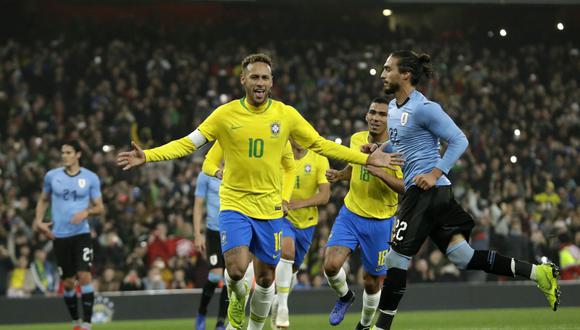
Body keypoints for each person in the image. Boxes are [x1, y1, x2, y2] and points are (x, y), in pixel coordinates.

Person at [116, 53, 403, 330]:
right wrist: (149, 156)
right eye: (254, 77)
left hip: (269, 209)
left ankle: (253, 326)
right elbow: (189, 143)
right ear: (243, 79)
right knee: (237, 269)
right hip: (235, 204)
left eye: (265, 77)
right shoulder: (225, 114)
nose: (260, 83)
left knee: (266, 279)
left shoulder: (286, 115)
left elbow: (319, 144)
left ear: (272, 82)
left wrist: (365, 159)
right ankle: (238, 299)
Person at [371, 50, 561, 330]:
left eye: (388, 69)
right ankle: (539, 273)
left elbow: (459, 140)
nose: (383, 74)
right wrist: (379, 148)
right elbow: (401, 142)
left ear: (406, 75)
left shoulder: (425, 108)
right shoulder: (394, 108)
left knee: (396, 258)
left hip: (427, 192)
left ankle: (379, 328)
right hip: (434, 196)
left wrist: (435, 172)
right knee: (464, 256)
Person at [323, 98, 404, 329]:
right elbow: (355, 168)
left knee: (371, 282)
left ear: (390, 120)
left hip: (380, 222)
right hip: (351, 214)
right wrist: (341, 175)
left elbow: (405, 187)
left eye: (382, 114)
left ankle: (365, 324)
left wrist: (381, 173)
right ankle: (346, 296)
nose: (376, 118)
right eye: (372, 112)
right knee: (330, 266)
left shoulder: (398, 149)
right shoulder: (356, 139)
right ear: (367, 115)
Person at [33, 141, 104, 330]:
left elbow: (100, 207)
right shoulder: (52, 177)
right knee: (68, 283)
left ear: (78, 154)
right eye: (62, 152)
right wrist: (38, 221)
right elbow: (43, 200)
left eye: (68, 152)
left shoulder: (90, 178)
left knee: (84, 276)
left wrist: (86, 213)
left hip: (81, 234)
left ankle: (87, 325)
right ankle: (76, 322)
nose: (64, 156)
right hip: (60, 236)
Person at [270, 138, 331, 329]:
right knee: (286, 253)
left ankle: (277, 301)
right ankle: (283, 308)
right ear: (289, 137)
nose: (301, 139)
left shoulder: (319, 158)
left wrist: (299, 204)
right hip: (281, 216)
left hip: (306, 222)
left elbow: (325, 196)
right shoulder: (279, 154)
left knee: (293, 270)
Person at [193, 159, 228, 330]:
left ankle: (221, 322)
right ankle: (201, 312)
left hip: (232, 232)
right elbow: (198, 205)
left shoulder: (236, 170)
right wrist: (197, 234)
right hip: (214, 232)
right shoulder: (205, 174)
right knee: (215, 276)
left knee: (231, 279)